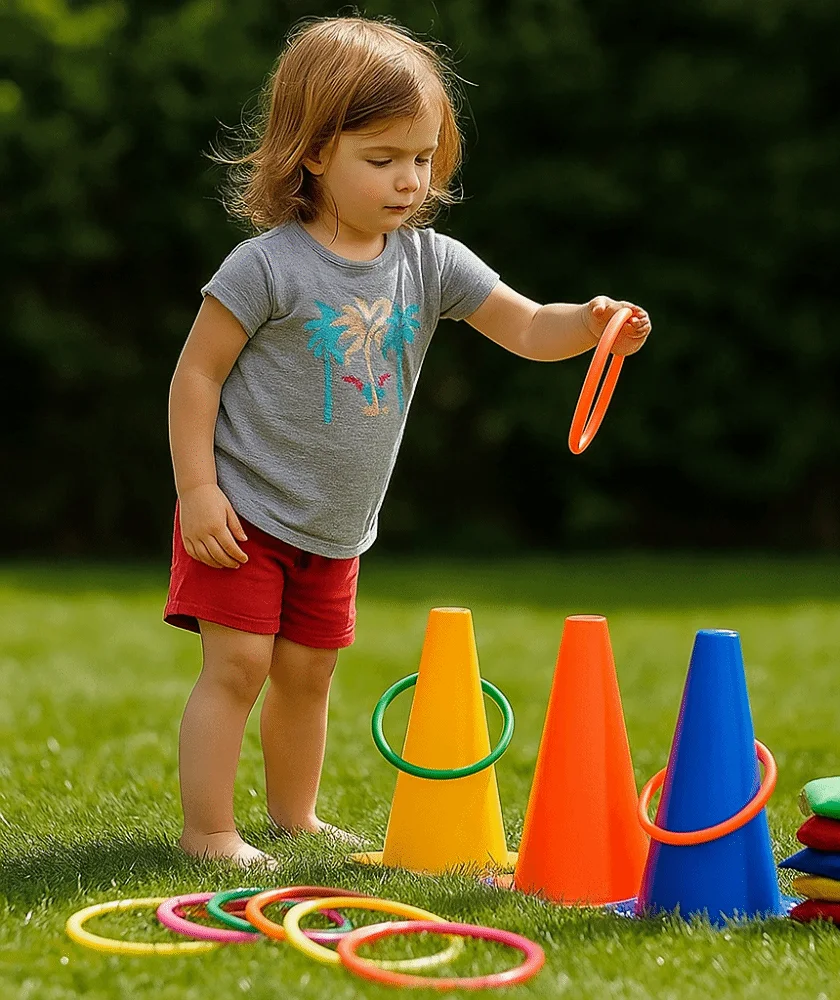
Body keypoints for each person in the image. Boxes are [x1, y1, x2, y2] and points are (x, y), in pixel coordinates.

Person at [164, 14, 652, 868]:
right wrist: (199, 492)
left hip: (336, 529)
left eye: (422, 159)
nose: (408, 181)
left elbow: (531, 326)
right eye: (382, 159)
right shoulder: (266, 266)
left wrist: (596, 324)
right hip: (242, 512)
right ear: (314, 153)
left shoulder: (430, 263)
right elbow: (194, 377)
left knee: (308, 677)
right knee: (238, 667)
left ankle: (294, 819)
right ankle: (209, 831)